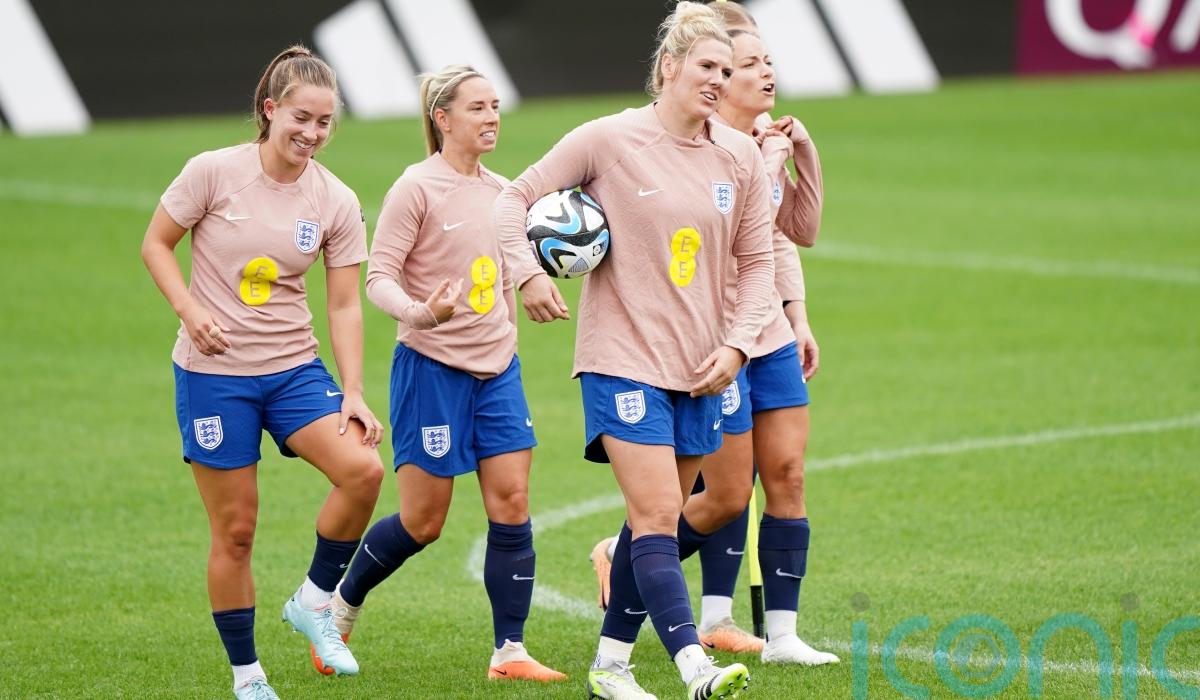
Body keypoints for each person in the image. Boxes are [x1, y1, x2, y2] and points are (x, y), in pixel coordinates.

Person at [494, 3, 775, 698]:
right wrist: (527, 274)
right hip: (620, 358)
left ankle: (611, 667)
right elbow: (511, 200)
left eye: (726, 70)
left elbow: (757, 263)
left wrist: (738, 348)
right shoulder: (608, 139)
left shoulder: (737, 155)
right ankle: (694, 666)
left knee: (657, 523)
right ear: (668, 68)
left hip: (703, 368)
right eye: (706, 66)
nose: (718, 80)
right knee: (654, 517)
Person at [591, 0, 837, 666]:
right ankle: (628, 556)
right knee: (726, 495)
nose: (763, 74)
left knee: (787, 474)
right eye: (747, 64)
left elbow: (793, 236)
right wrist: (766, 160)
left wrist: (798, 313)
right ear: (713, 76)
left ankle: (782, 635)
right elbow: (717, 243)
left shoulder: (766, 140)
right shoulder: (710, 151)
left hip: (769, 333)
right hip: (714, 336)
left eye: (765, 62)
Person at [140, 45, 385, 700]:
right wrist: (189, 310)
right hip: (214, 376)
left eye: (324, 122)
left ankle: (313, 600)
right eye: (301, 118)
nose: (312, 133)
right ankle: (247, 676)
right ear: (271, 110)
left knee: (363, 470)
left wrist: (354, 391)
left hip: (293, 370)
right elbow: (156, 244)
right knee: (237, 531)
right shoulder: (213, 172)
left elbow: (344, 304)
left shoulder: (335, 199)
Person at [314, 65, 566, 684]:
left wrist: (530, 293)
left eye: (496, 106)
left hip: (497, 371)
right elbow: (377, 279)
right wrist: (422, 313)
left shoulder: (505, 193)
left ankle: (509, 652)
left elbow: (507, 275)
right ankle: (341, 602)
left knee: (512, 501)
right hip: (431, 370)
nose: (492, 117)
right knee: (424, 521)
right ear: (442, 118)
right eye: (477, 107)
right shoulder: (415, 188)